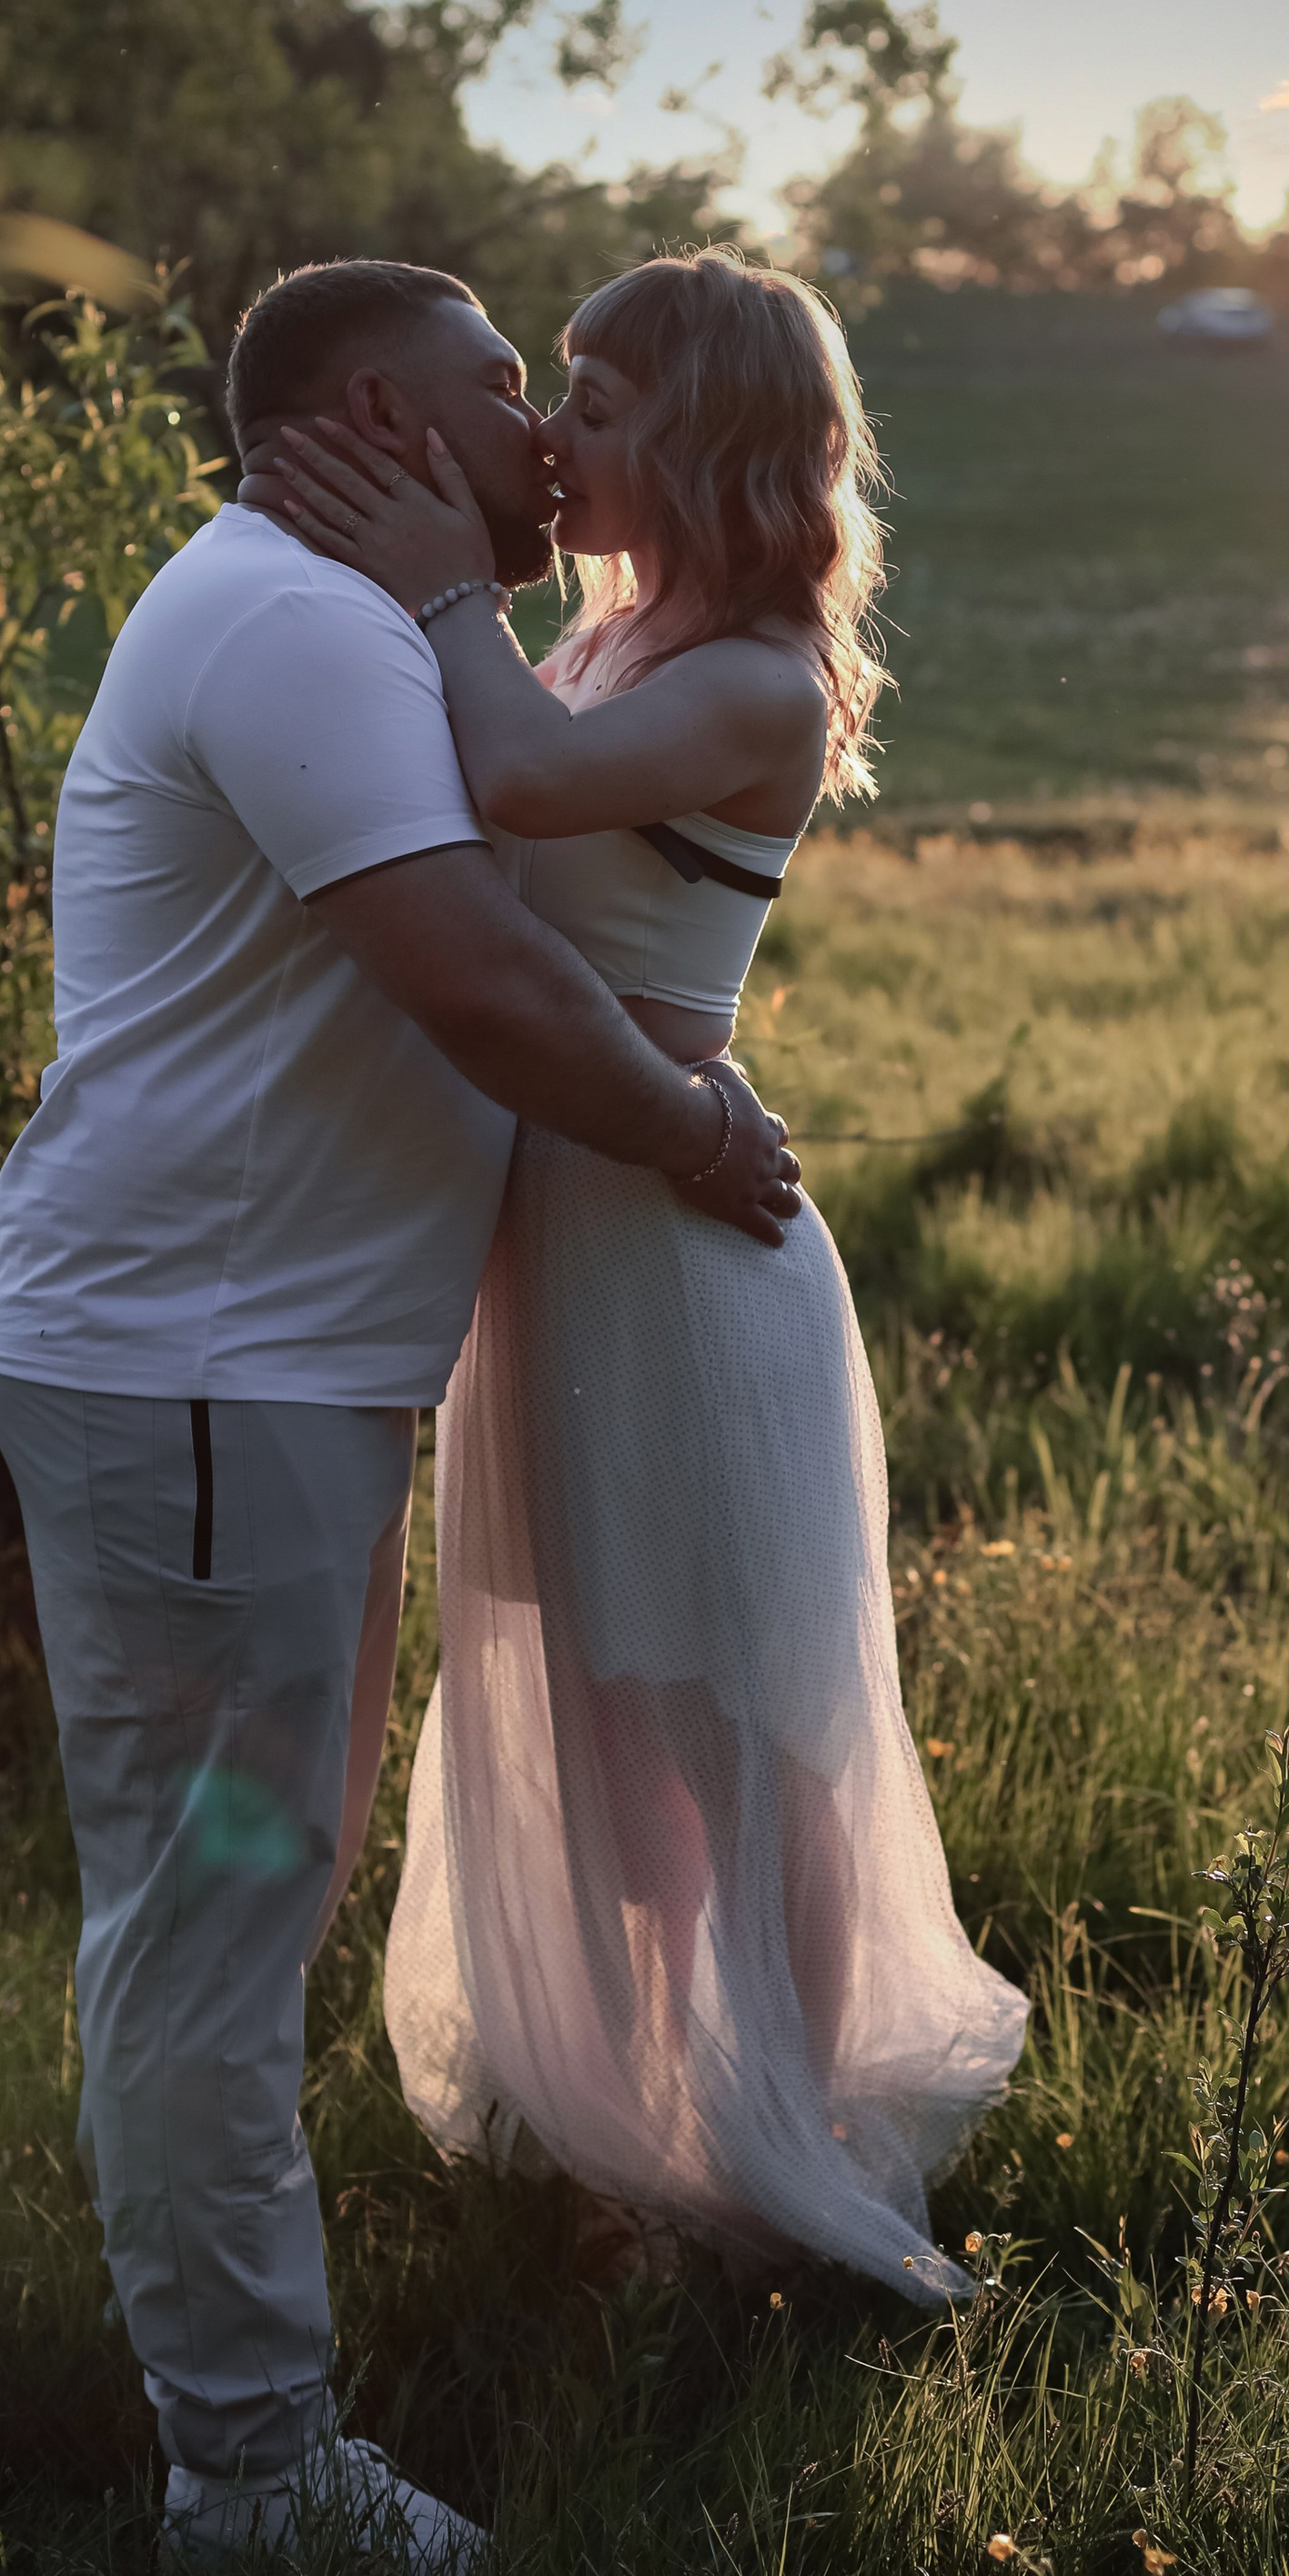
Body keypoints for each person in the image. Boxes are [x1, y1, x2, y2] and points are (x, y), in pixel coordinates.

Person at [0, 257, 801, 2576]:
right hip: (205, 1384)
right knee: (206, 1929)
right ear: (376, 412)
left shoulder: (341, 613)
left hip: (243, 1379)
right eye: (499, 382)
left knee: (232, 1898)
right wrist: (691, 1134)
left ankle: (238, 2419)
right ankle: (247, 2479)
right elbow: (484, 977)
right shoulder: (311, 633)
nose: (539, 424)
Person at [268, 247, 1027, 2300]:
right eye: (558, 393)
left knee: (730, 1725)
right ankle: (653, 2125)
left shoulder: (753, 679)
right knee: (602, 1710)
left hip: (683, 1256)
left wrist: (442, 581)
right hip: (557, 1240)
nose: (547, 437)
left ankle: (786, 2130)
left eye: (595, 405)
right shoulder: (614, 634)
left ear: (699, 443)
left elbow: (502, 784)